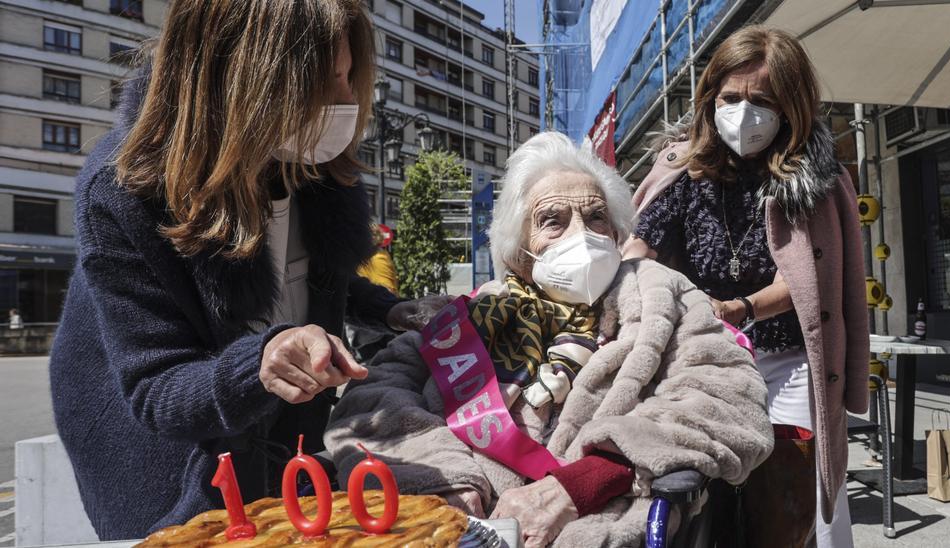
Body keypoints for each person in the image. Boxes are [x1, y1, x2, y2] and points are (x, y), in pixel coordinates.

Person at [48, 0, 419, 539]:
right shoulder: (123, 191)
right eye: (325, 83)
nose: (345, 101)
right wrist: (262, 361)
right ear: (247, 81)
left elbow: (306, 277)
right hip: (169, 470)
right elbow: (157, 386)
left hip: (288, 450)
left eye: (349, 77)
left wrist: (389, 311)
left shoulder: (309, 159)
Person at [326, 132, 774, 548]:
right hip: (465, 525)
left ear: (618, 234)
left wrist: (587, 481)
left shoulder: (662, 291)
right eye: (552, 221)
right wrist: (446, 482)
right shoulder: (475, 313)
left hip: (601, 520)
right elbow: (369, 401)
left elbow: (727, 398)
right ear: (518, 251)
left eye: (596, 216)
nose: (582, 233)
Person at [624, 25, 868, 546]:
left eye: (761, 100)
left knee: (802, 494)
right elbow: (640, 246)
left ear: (789, 106)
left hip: (792, 360)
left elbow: (806, 284)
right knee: (705, 491)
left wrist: (742, 308)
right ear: (710, 99)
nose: (743, 112)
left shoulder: (813, 179)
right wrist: (633, 283)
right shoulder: (684, 171)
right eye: (730, 98)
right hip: (707, 362)